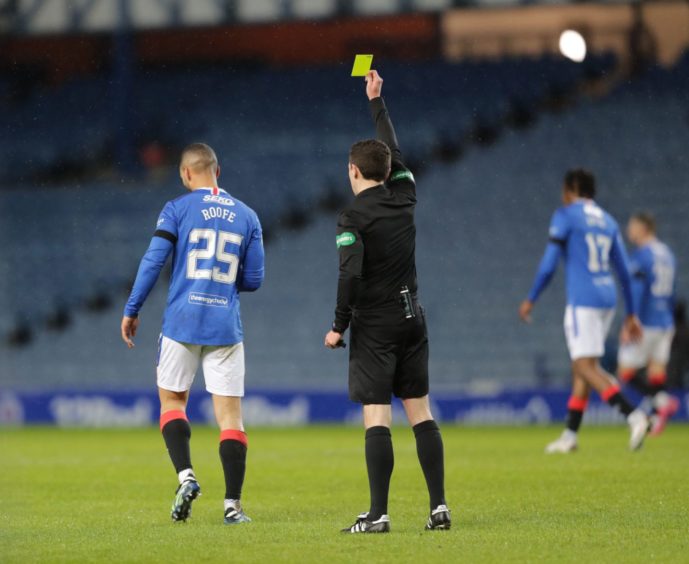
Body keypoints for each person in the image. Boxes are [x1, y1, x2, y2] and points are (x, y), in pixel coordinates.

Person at [324, 70, 450, 533]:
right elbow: (393, 153)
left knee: (377, 416)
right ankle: (439, 508)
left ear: (353, 172)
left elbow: (350, 272)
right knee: (420, 410)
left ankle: (378, 514)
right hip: (412, 317)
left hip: (374, 326)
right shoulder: (406, 195)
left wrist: (339, 325)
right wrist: (378, 104)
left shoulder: (351, 215)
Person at [121, 143, 264, 524]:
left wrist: (132, 308)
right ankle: (233, 507)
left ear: (186, 175)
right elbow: (254, 279)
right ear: (218, 171)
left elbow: (154, 261)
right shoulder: (248, 216)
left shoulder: (176, 209)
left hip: (182, 321)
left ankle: (186, 476)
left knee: (172, 402)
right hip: (225, 326)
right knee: (230, 417)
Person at [519, 169, 649, 453]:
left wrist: (531, 298)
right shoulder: (608, 220)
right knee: (582, 366)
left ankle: (634, 415)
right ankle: (570, 435)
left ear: (569, 191)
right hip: (608, 298)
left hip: (583, 299)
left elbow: (550, 263)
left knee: (584, 366)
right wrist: (631, 313)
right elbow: (625, 271)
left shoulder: (565, 216)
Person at [617, 212, 679, 434]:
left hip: (646, 321)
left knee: (625, 372)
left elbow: (638, 289)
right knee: (656, 370)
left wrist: (631, 320)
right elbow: (672, 292)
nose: (629, 230)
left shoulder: (642, 255)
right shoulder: (668, 254)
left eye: (632, 226)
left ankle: (662, 403)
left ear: (643, 228)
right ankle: (657, 416)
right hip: (666, 321)